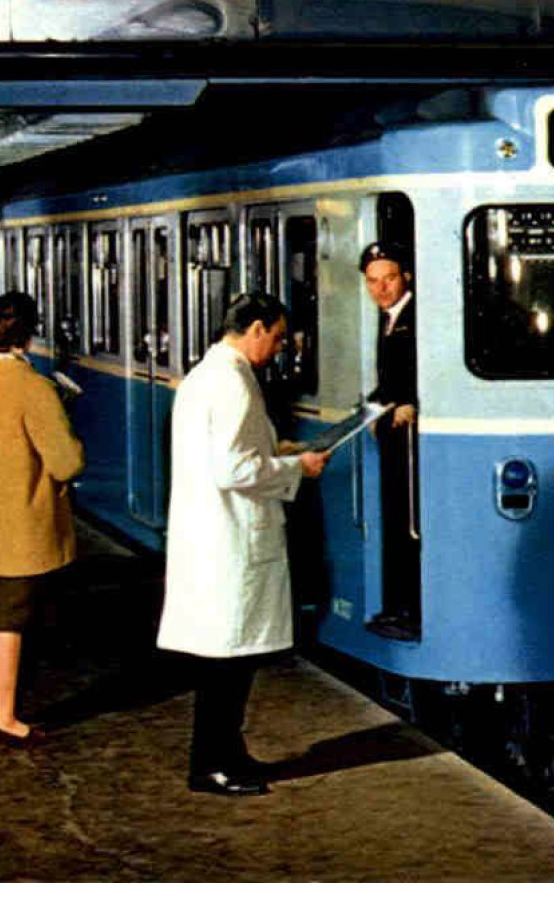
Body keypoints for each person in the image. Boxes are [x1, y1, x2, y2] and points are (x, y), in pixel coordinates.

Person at [157, 293, 327, 797]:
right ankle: (211, 765)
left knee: (227, 662)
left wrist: (275, 453)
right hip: (230, 540)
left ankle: (226, 754)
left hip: (215, 537)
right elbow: (232, 469)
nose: (276, 349)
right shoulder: (231, 383)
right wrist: (297, 467)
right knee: (226, 664)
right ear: (255, 329)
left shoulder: (205, 377)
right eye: (275, 338)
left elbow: (230, 454)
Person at [0, 291, 84, 747]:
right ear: (27, 333)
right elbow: (65, 463)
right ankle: (4, 716)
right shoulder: (31, 386)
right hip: (20, 525)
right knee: (10, 624)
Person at [360, 241, 420, 642]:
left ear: (407, 277)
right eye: (373, 281)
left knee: (409, 522)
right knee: (396, 519)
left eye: (390, 279)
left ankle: (410, 610)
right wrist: (375, 404)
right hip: (394, 434)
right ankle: (398, 607)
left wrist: (409, 401)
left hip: (412, 440)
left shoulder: (416, 317)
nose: (381, 289)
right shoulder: (389, 316)